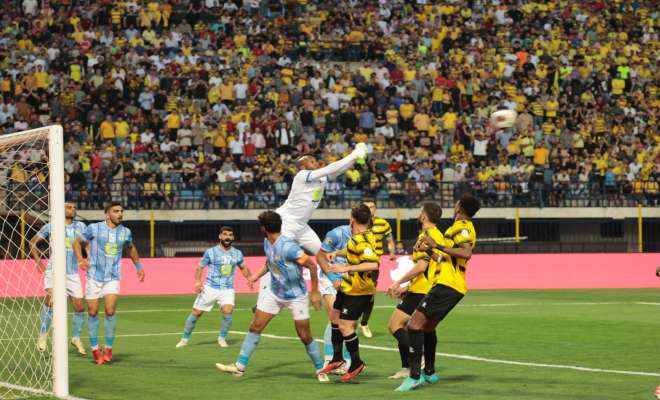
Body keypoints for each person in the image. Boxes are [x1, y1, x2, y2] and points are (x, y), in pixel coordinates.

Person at [254, 142, 368, 321]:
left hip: (302, 226)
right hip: (285, 223)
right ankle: (262, 301)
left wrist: (355, 157)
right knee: (275, 259)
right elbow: (330, 168)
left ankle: (332, 284)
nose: (316, 162)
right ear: (302, 166)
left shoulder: (320, 178)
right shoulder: (302, 176)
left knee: (323, 253)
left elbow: (339, 169)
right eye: (311, 161)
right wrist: (354, 154)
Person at [215, 211, 326, 382]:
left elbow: (311, 265)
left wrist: (315, 291)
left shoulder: (289, 247)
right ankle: (239, 367)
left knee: (304, 336)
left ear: (263, 228)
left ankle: (321, 370)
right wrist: (255, 276)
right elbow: (269, 263)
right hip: (274, 293)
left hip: (296, 296)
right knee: (255, 326)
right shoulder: (267, 242)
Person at [393, 194, 480, 391]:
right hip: (451, 284)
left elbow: (466, 253)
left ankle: (414, 376)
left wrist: (437, 245)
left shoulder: (462, 226)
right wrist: (430, 251)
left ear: (459, 207)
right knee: (427, 327)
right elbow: (445, 260)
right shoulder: (460, 227)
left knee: (413, 325)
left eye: (456, 203)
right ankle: (430, 372)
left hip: (448, 284)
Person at [73, 202, 145, 365]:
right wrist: (80, 260)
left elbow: (130, 248)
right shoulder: (94, 228)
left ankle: (108, 348)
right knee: (92, 312)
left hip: (112, 276)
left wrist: (139, 266)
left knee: (110, 310)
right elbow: (76, 243)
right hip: (93, 276)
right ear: (107, 214)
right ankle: (94, 348)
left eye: (121, 211)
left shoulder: (125, 232)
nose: (120, 214)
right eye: (116, 211)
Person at [386, 202, 448, 380]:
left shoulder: (426, 236)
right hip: (425, 288)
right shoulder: (438, 235)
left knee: (394, 325)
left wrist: (397, 283)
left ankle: (417, 357)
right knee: (409, 327)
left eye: (421, 211)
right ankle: (407, 367)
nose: (419, 214)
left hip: (422, 290)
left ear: (424, 216)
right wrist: (407, 288)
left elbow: (421, 267)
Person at [318, 204, 379, 382]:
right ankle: (337, 358)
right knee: (334, 316)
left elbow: (373, 264)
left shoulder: (364, 239)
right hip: (348, 286)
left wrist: (345, 268)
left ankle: (356, 363)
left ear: (352, 219)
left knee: (345, 326)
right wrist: (337, 253)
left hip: (359, 290)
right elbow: (353, 249)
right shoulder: (358, 237)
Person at [176, 227, 252, 348]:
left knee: (228, 311)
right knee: (196, 313)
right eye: (225, 234)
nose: (228, 237)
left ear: (233, 237)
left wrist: (250, 278)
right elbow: (200, 267)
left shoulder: (237, 253)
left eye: (230, 235)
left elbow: (243, 267)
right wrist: (197, 282)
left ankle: (222, 338)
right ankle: (184, 339)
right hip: (210, 288)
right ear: (220, 236)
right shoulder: (210, 252)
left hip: (227, 289)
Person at [30, 202, 88, 355]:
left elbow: (87, 243)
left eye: (74, 207)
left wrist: (87, 258)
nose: (73, 209)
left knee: (79, 307)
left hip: (72, 273)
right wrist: (38, 262)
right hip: (54, 270)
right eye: (69, 207)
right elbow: (32, 242)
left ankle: (76, 338)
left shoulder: (81, 226)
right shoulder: (51, 226)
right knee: (51, 299)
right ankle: (43, 334)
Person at [316, 223, 352, 372]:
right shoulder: (337, 234)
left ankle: (347, 360)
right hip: (329, 277)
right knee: (335, 317)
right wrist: (333, 279)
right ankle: (330, 358)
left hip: (349, 279)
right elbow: (320, 256)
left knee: (349, 321)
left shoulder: (368, 236)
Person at [359, 199, 396, 338]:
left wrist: (392, 252)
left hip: (374, 264)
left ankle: (364, 323)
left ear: (376, 208)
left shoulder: (383, 224)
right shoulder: (356, 223)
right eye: (367, 207)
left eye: (372, 206)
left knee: (370, 294)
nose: (370, 209)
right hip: (357, 264)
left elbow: (389, 240)